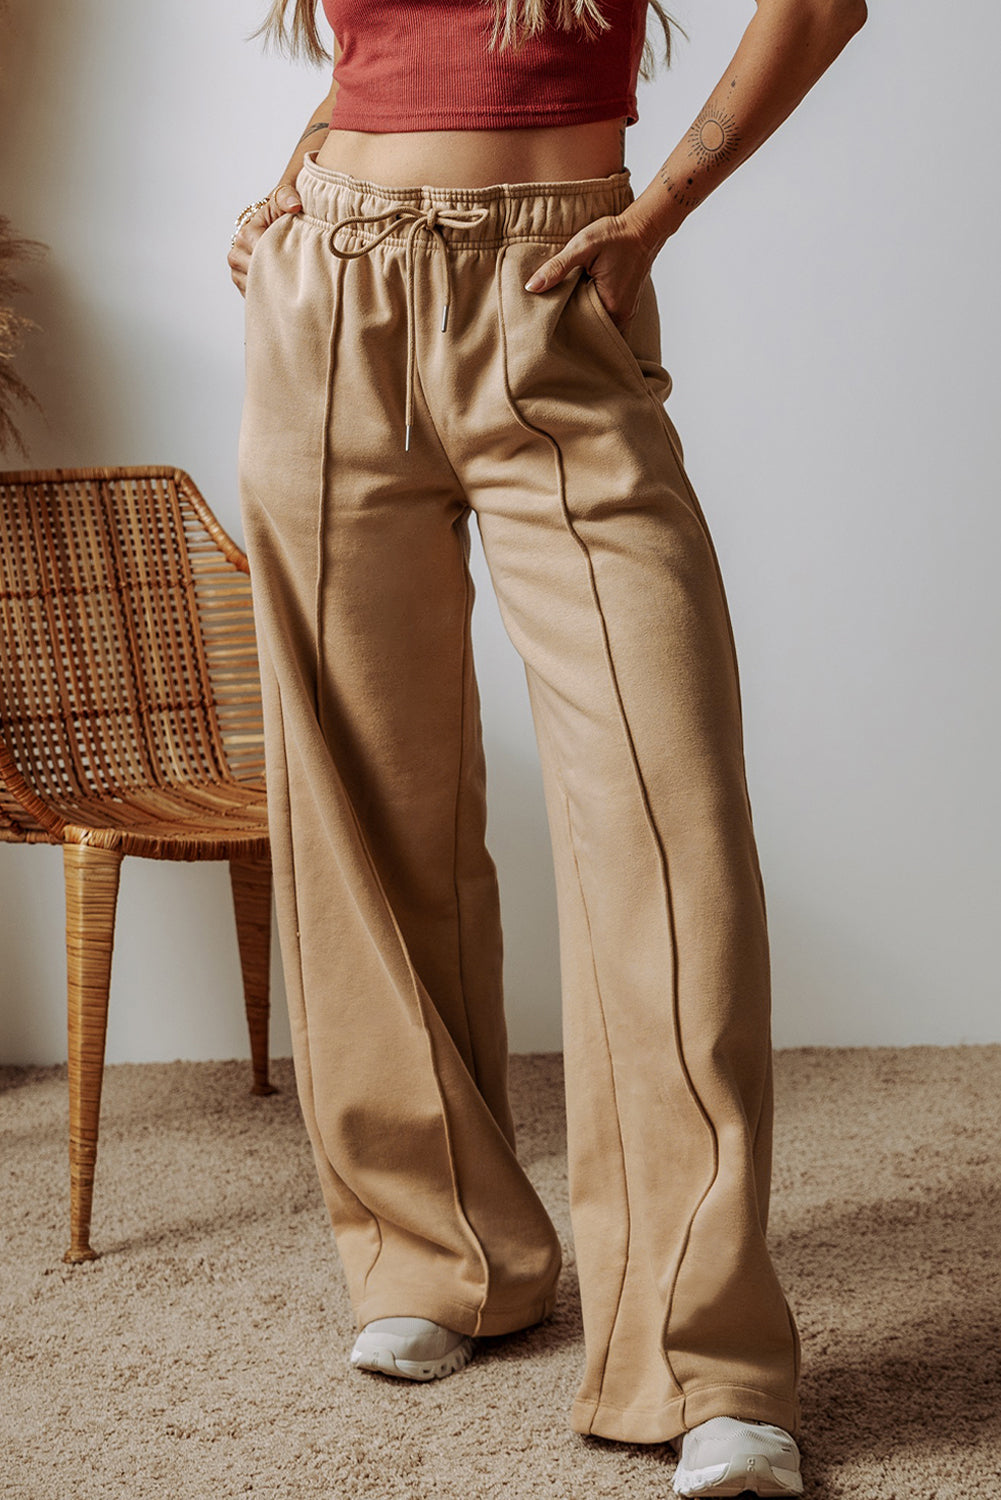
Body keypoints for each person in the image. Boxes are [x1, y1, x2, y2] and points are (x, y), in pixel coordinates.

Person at [228, 1, 865, 1494]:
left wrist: (656, 217)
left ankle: (699, 1355)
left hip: (552, 284)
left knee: (666, 821)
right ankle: (435, 1252)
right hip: (330, 296)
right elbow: (379, 61)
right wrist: (289, 182)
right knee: (366, 800)